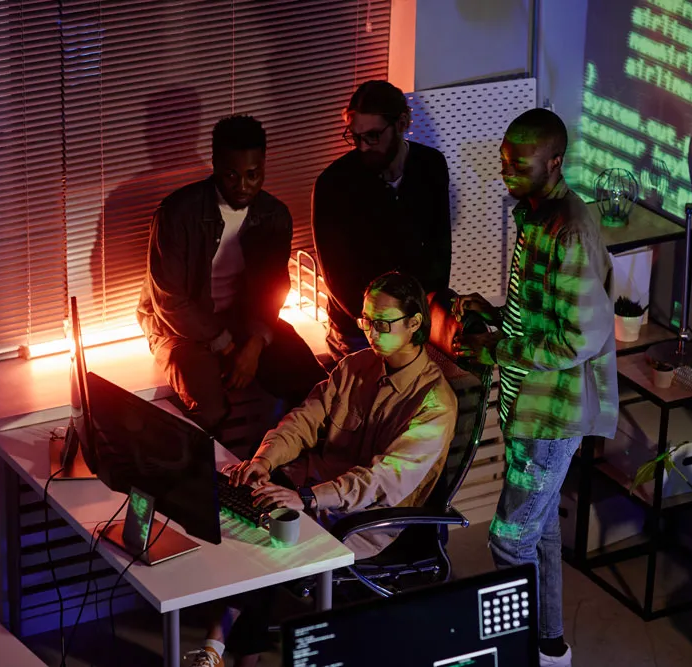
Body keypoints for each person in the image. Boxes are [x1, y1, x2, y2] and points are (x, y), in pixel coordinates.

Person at [186, 272, 458, 667]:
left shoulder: (435, 403)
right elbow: (304, 420)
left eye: (383, 323)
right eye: (366, 321)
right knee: (242, 506)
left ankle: (224, 650)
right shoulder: (357, 366)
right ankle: (224, 649)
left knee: (270, 541)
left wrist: (307, 497)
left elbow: (380, 480)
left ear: (415, 323)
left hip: (364, 518)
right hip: (310, 489)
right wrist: (265, 461)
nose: (371, 332)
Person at [453, 109, 618, 667]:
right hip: (529, 407)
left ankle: (519, 653)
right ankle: (549, 647)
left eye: (519, 166)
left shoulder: (568, 228)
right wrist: (497, 316)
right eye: (503, 162)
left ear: (555, 162)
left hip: (552, 415)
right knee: (541, 529)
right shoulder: (537, 216)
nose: (507, 174)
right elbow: (540, 317)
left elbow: (582, 336)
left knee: (508, 539)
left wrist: (497, 349)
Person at [136, 115, 326, 436]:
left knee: (317, 388)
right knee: (210, 411)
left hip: (244, 321)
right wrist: (226, 346)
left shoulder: (273, 215)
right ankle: (210, 483)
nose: (243, 186)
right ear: (215, 165)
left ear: (264, 165)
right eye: (231, 175)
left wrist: (254, 343)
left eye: (253, 175)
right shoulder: (177, 213)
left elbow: (275, 286)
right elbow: (170, 301)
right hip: (181, 330)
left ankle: (285, 472)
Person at [313, 80, 452, 362]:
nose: (363, 146)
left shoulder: (431, 165)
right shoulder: (333, 184)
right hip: (360, 325)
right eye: (355, 137)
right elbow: (337, 276)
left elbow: (439, 247)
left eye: (373, 136)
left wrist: (424, 313)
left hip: (411, 317)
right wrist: (378, 325)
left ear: (402, 123)